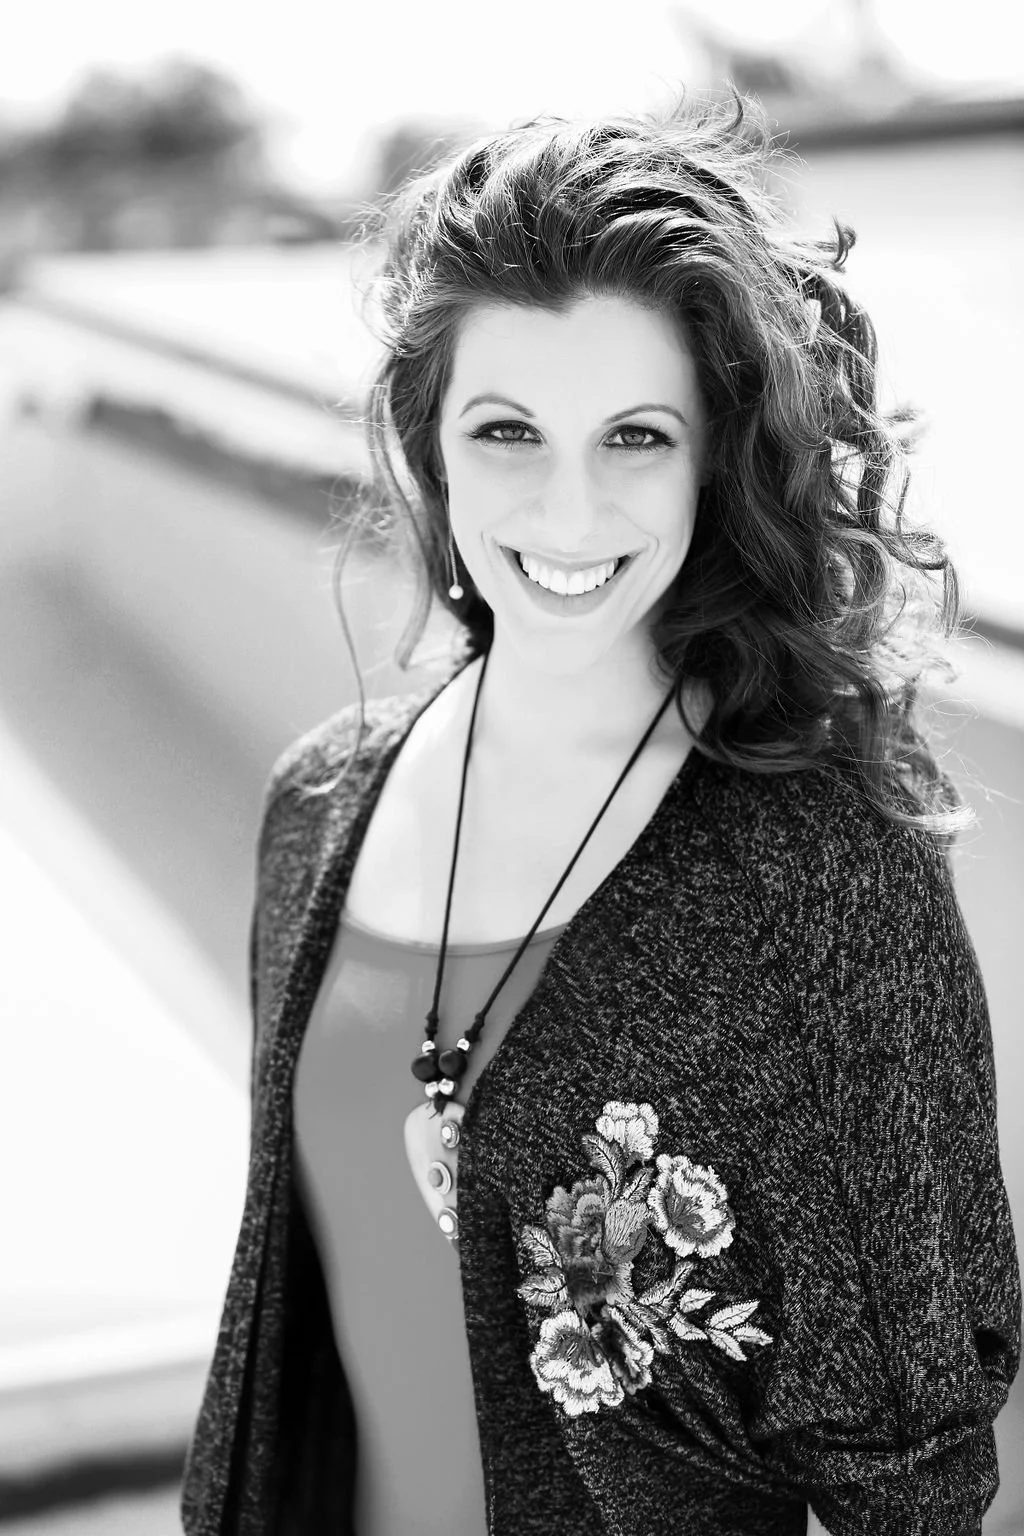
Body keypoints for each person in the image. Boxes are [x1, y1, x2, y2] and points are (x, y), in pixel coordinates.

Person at [180, 94, 1021, 1536]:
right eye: (508, 429)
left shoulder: (820, 872)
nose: (568, 513)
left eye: (635, 436)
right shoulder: (319, 803)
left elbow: (917, 1476)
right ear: (431, 445)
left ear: (716, 456)